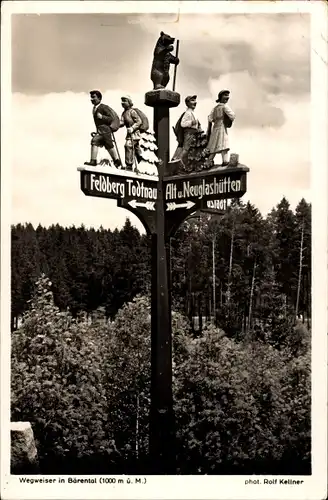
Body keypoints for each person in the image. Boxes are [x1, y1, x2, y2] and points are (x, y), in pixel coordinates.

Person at [84, 90, 121, 167]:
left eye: (94, 97)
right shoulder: (94, 108)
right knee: (95, 141)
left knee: (108, 145)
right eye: (91, 97)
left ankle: (116, 160)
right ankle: (93, 161)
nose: (92, 99)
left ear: (99, 98)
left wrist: (102, 117)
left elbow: (111, 119)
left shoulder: (104, 107)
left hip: (106, 131)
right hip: (100, 131)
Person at [207, 90, 235, 166]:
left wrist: (216, 120)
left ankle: (209, 161)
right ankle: (225, 161)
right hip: (222, 127)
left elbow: (210, 118)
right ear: (221, 97)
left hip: (215, 128)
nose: (227, 97)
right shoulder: (225, 106)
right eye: (225, 95)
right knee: (224, 144)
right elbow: (232, 116)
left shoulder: (215, 108)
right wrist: (226, 118)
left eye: (228, 95)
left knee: (214, 144)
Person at [172, 95, 202, 164]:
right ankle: (179, 162)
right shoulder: (187, 113)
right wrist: (192, 122)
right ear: (188, 103)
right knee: (186, 148)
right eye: (192, 100)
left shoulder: (193, 113)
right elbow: (182, 124)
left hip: (194, 133)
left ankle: (185, 163)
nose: (195, 102)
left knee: (191, 149)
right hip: (189, 133)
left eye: (195, 100)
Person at [120, 95, 144, 171]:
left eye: (124, 101)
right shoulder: (124, 113)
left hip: (134, 133)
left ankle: (129, 165)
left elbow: (139, 121)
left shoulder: (132, 112)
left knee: (128, 145)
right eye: (122, 101)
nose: (122, 103)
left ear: (129, 102)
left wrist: (132, 128)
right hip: (129, 134)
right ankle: (142, 161)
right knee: (136, 149)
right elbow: (122, 122)